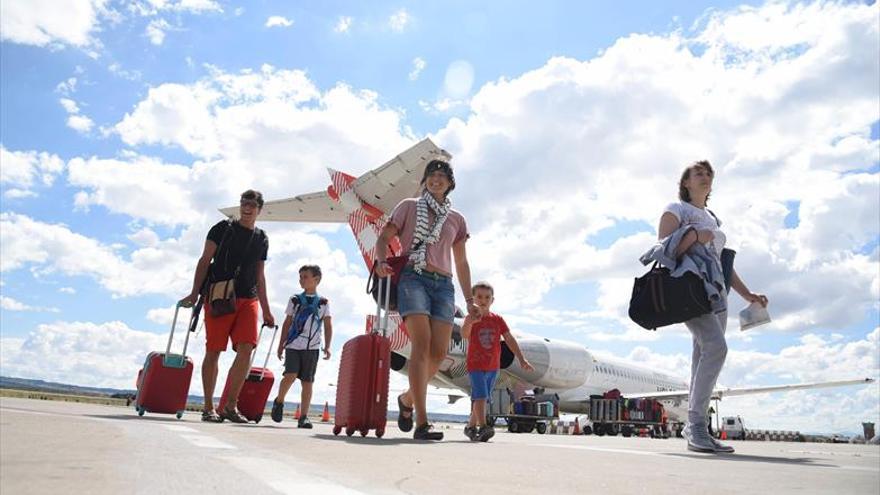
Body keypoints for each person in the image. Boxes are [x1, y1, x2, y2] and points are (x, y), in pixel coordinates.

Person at [657, 160, 768, 453]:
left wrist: (748, 295)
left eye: (708, 173)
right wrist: (694, 236)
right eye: (698, 173)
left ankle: (696, 428)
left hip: (717, 293)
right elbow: (663, 249)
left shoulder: (713, 218)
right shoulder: (676, 209)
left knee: (702, 356)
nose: (705, 176)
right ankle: (695, 427)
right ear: (686, 183)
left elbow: (722, 264)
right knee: (717, 348)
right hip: (691, 289)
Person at [375, 159, 479, 441]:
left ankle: (407, 400)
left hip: (444, 285)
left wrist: (469, 299)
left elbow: (462, 262)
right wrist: (381, 262)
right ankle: (422, 422)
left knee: (438, 352)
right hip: (413, 278)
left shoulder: (456, 219)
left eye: (442, 176)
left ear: (450, 183)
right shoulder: (408, 206)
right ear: (425, 180)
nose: (436, 180)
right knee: (420, 345)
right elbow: (384, 238)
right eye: (431, 176)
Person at [180, 190, 275, 423]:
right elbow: (204, 261)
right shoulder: (222, 228)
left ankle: (230, 406)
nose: (247, 208)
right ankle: (208, 407)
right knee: (214, 350)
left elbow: (260, 276)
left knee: (246, 349)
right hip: (219, 295)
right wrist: (194, 293)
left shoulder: (262, 238)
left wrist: (266, 309)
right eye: (244, 203)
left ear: (259, 210)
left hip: (248, 298)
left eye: (252, 205)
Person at [460, 281, 533, 442]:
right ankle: (484, 426)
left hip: (493, 366)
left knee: (483, 397)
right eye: (479, 297)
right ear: (473, 299)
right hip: (476, 365)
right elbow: (464, 334)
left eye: (487, 297)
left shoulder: (498, 320)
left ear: (492, 300)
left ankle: (470, 427)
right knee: (480, 397)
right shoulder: (470, 319)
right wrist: (469, 322)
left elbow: (509, 339)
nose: (483, 300)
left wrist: (521, 358)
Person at [270, 265, 332, 428]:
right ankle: (279, 401)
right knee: (290, 375)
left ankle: (303, 416)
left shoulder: (323, 302)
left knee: (307, 381)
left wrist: (328, 346)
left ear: (316, 279)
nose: (301, 279)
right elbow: (287, 322)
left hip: (312, 347)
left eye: (305, 276)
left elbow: (328, 325)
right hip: (294, 344)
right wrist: (281, 343)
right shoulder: (295, 300)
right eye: (300, 276)